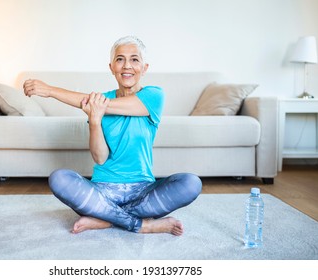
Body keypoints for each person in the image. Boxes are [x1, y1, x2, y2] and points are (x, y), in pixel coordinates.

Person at [23, 36, 202, 236]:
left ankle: (105, 218)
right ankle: (141, 225)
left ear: (144, 68)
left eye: (134, 59)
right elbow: (100, 157)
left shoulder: (154, 95)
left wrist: (49, 90)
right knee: (59, 178)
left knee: (191, 183)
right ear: (111, 67)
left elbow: (95, 103)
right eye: (120, 59)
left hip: (143, 190)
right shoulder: (100, 101)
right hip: (102, 191)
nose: (127, 66)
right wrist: (95, 121)